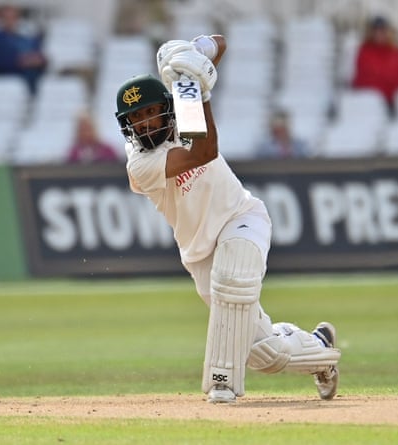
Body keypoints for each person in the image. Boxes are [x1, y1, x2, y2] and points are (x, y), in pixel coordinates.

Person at [115, 35, 341, 403]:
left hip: (241, 218)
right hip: (199, 253)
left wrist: (194, 55)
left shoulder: (185, 113)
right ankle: (321, 348)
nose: (144, 124)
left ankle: (222, 384)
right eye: (135, 119)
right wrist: (196, 90)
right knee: (265, 354)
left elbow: (220, 42)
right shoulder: (140, 164)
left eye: (149, 112)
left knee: (233, 279)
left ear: (166, 107)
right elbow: (203, 152)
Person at [0, 4, 47, 94]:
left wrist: (39, 61)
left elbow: (41, 58)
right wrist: (19, 62)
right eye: (6, 18)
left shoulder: (27, 39)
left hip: (29, 75)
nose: (10, 21)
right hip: (6, 77)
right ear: (0, 19)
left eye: (13, 17)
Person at [351, 15, 398, 116]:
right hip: (368, 103)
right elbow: (363, 78)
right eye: (376, 30)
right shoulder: (364, 51)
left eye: (382, 30)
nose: (379, 34)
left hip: (393, 104)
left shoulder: (395, 52)